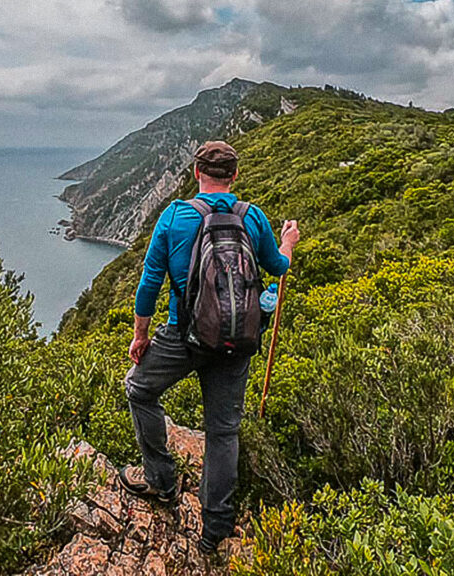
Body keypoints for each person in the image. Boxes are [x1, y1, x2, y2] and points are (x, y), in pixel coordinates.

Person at [119, 140, 300, 553]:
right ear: (234, 175)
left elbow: (149, 284)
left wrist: (141, 336)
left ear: (196, 173)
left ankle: (161, 480)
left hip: (183, 337)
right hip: (236, 342)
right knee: (222, 432)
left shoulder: (175, 216)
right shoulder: (252, 218)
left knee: (139, 389)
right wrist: (288, 239)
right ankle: (214, 530)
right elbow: (279, 266)